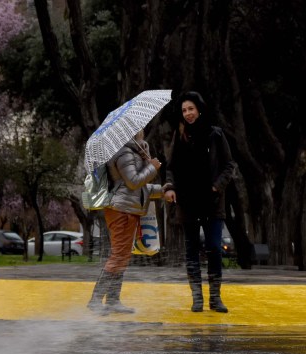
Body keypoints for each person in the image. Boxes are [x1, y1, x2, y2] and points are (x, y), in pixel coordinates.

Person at [163, 91, 236, 313]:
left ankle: (215, 298)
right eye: (184, 110)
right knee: (191, 250)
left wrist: (217, 186)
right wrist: (170, 187)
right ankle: (197, 298)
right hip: (188, 202)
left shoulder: (215, 134)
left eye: (191, 109)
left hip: (212, 202)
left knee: (214, 247)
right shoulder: (180, 135)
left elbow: (229, 165)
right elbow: (171, 167)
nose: (188, 114)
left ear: (199, 109)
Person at [87, 130, 163, 314]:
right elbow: (133, 182)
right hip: (120, 211)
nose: (142, 129)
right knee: (118, 256)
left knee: (122, 256)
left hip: (127, 209)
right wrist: (152, 167)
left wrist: (163, 190)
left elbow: (139, 189)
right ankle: (96, 301)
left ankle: (113, 300)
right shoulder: (123, 151)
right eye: (139, 127)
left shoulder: (135, 150)